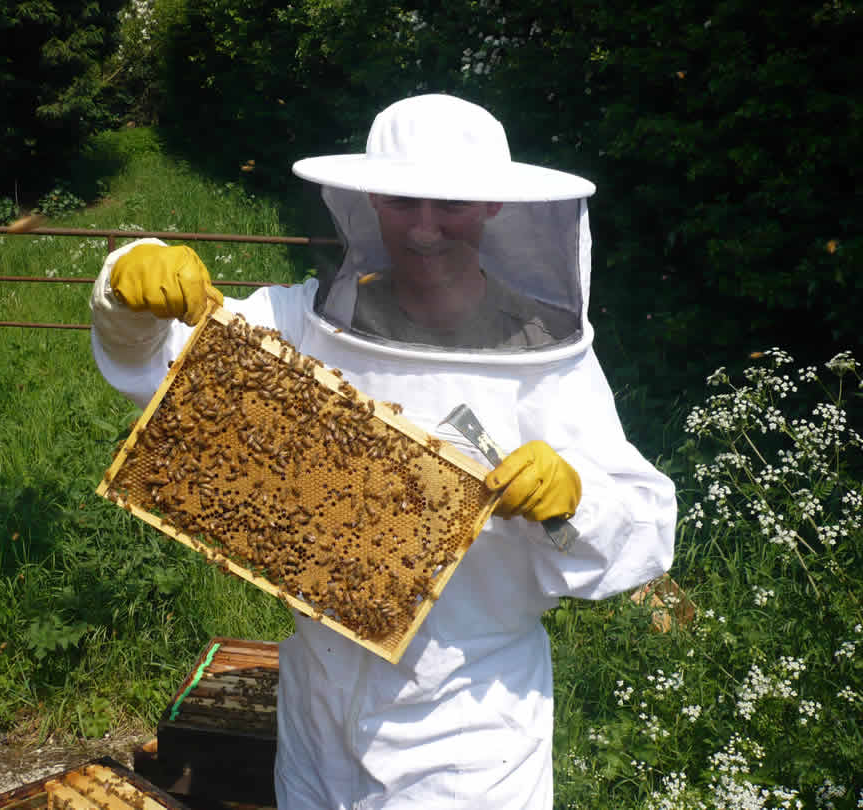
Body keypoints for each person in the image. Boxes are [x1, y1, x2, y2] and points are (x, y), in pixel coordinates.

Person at [90, 94, 676, 809]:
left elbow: (646, 529)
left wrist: (578, 497)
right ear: (370, 198)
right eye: (403, 201)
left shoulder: (546, 362)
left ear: (493, 205)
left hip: (470, 722)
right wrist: (126, 284)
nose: (425, 229)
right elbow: (162, 366)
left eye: (451, 204)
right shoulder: (304, 324)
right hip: (317, 701)